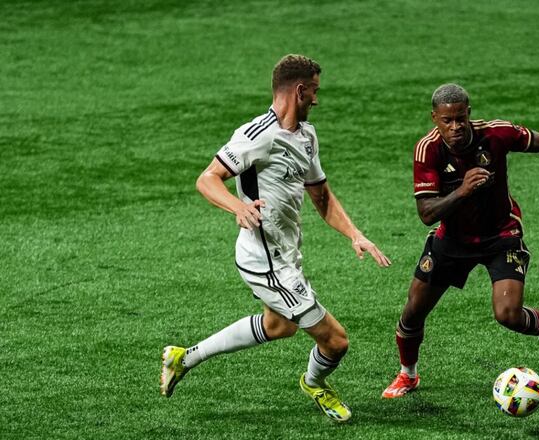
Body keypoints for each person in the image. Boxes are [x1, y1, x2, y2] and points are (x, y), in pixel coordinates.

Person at [159, 54, 391, 423]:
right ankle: (315, 383)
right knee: (335, 341)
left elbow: (322, 196)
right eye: (314, 91)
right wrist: (237, 207)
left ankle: (183, 358)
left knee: (278, 325)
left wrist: (355, 234)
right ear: (299, 90)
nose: (317, 99)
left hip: (286, 254)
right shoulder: (256, 135)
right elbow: (207, 179)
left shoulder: (307, 136)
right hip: (264, 262)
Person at [382, 83, 539, 398]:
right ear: (434, 119)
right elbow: (426, 213)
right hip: (452, 239)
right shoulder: (427, 150)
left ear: (469, 114)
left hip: (501, 235)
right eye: (446, 121)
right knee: (413, 312)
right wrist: (462, 190)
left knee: (508, 314)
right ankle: (408, 375)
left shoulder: (496, 134)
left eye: (460, 119)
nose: (454, 127)